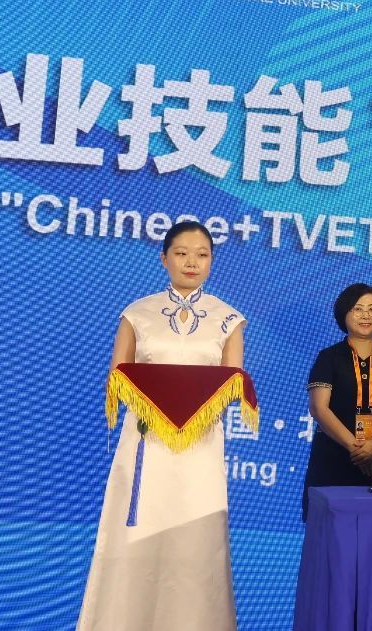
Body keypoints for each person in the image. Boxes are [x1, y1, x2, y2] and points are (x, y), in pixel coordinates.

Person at [78, 221, 246, 631]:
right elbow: (117, 376)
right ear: (164, 258)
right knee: (137, 535)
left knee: (196, 540)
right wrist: (158, 405)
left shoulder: (228, 319)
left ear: (212, 261)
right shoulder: (137, 313)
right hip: (145, 444)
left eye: (202, 254)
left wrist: (193, 406)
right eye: (182, 253)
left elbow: (233, 383)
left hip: (200, 448)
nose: (192, 262)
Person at [301, 284, 372, 518]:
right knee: (329, 526)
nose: (366, 315)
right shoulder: (329, 357)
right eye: (358, 309)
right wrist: (355, 447)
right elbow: (319, 408)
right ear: (343, 314)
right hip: (334, 456)